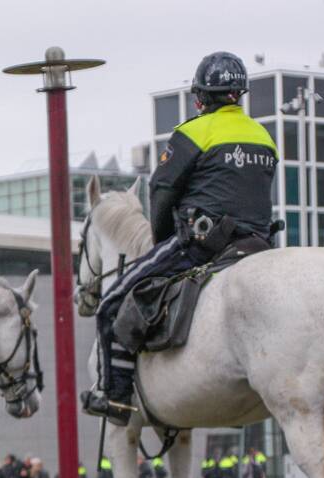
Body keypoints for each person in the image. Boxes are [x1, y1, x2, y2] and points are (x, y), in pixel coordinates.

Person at [81, 52, 277, 424]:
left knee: (110, 305)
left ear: (201, 97)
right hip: (258, 245)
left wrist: (164, 243)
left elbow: (162, 191)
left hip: (205, 244)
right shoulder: (263, 136)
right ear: (240, 94)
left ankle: (117, 397)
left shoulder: (193, 131)